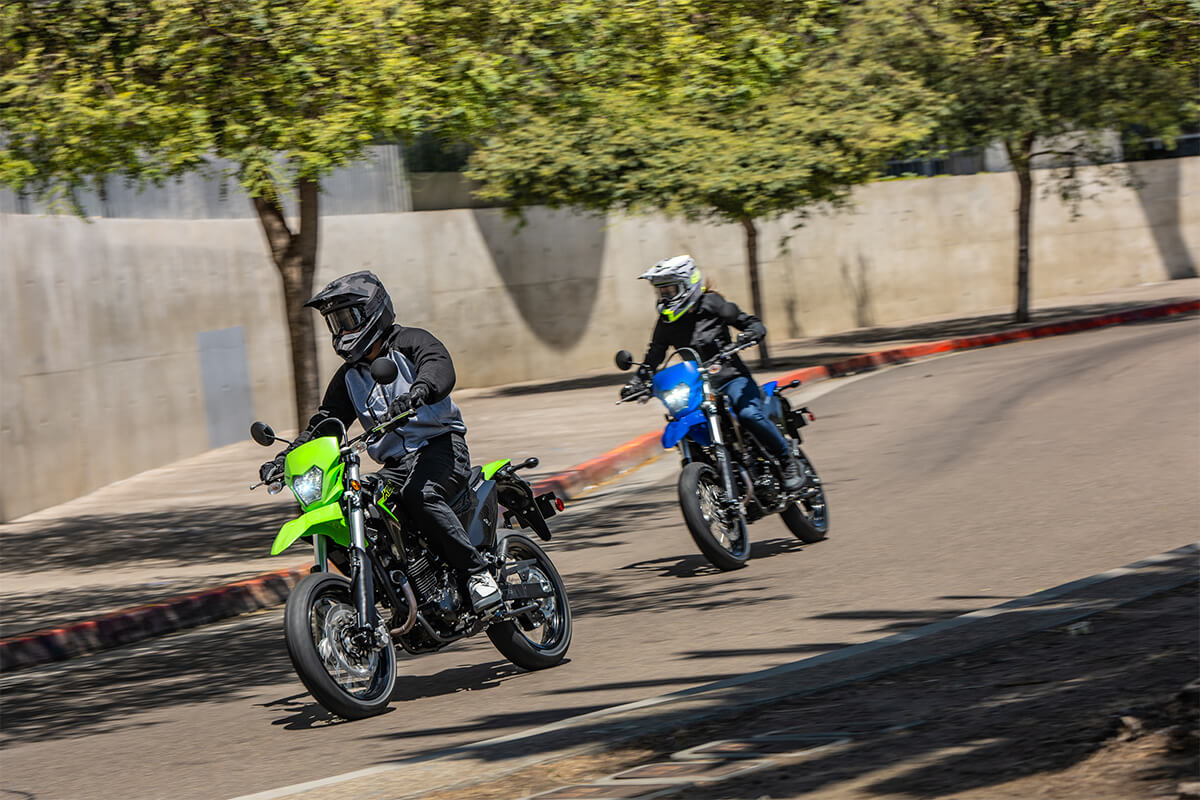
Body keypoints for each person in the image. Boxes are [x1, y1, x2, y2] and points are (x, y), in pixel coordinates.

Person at [259, 270, 502, 612]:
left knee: (421, 495)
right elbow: (325, 424)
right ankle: (389, 589)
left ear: (373, 311)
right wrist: (285, 459)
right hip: (397, 466)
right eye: (335, 323)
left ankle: (477, 573)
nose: (341, 330)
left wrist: (419, 391)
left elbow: (438, 367)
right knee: (349, 504)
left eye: (347, 318)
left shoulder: (411, 342)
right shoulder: (348, 377)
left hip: (442, 448)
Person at [621, 254, 805, 491]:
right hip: (697, 387)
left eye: (669, 290)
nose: (665, 297)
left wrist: (751, 333)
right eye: (661, 292)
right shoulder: (665, 322)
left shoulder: (712, 304)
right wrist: (638, 380)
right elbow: (654, 355)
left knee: (748, 414)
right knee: (685, 422)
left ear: (688, 284)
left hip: (731, 378)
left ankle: (786, 459)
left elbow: (750, 322)